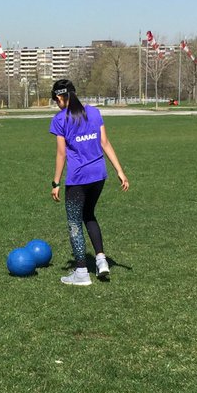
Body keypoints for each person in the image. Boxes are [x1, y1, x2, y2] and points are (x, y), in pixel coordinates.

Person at [49, 79, 130, 286]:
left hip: (78, 179)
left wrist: (55, 182)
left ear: (59, 97)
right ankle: (101, 260)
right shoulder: (94, 112)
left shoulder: (59, 119)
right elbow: (105, 143)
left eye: (55, 99)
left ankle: (82, 273)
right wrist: (120, 171)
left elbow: (61, 154)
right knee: (89, 215)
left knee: (74, 223)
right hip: (99, 176)